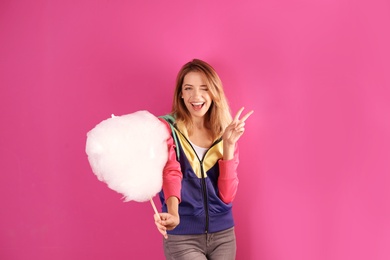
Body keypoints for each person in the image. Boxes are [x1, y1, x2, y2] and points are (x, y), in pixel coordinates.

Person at [154, 59, 253, 260]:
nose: (196, 96)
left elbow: (227, 196)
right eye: (188, 88)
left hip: (224, 236)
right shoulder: (167, 128)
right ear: (180, 93)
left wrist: (228, 146)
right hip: (183, 237)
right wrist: (173, 214)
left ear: (213, 93)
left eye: (204, 88)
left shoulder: (224, 132)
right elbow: (170, 172)